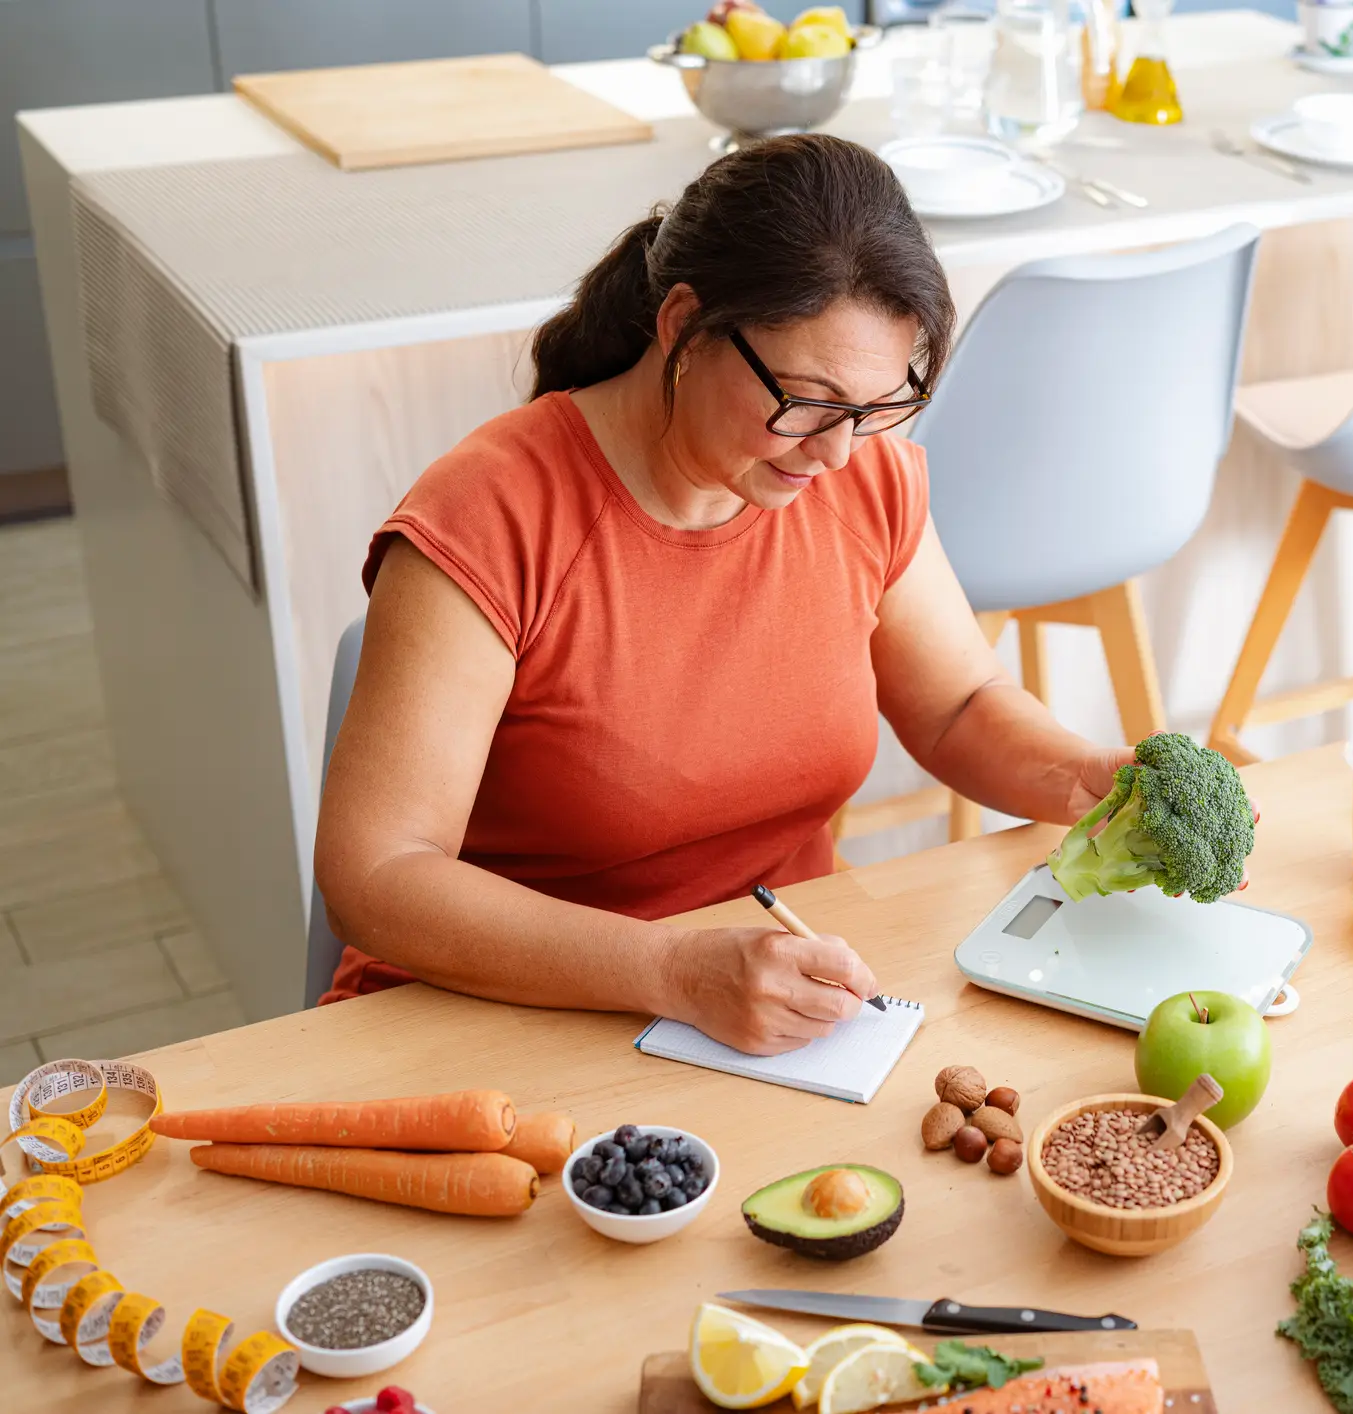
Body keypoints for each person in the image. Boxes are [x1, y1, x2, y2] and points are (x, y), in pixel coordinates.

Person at [314, 135, 1128, 1053]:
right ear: (684, 325)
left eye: (874, 409)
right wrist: (673, 970)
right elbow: (376, 874)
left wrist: (1090, 779)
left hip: (765, 1008)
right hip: (482, 1017)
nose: (836, 453)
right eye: (808, 400)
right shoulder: (491, 515)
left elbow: (959, 708)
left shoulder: (865, 480)